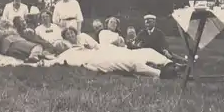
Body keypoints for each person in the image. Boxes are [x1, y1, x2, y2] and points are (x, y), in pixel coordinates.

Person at [37, 40, 182, 79]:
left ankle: (169, 63)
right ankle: (162, 74)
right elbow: (50, 62)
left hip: (103, 52)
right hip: (97, 60)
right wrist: (42, 60)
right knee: (130, 63)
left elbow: (98, 45)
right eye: (59, 46)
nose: (62, 45)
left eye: (62, 43)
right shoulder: (63, 56)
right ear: (57, 50)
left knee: (145, 51)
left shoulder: (79, 45)